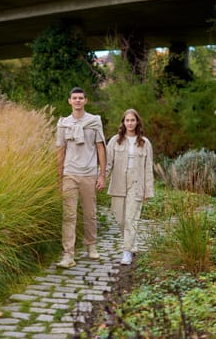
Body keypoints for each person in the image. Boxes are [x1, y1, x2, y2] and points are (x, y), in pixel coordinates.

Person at [55, 87, 107, 268]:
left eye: (80, 98)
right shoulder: (63, 124)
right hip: (69, 173)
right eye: (74, 98)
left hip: (89, 174)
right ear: (69, 101)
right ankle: (68, 254)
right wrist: (58, 178)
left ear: (85, 100)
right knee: (69, 215)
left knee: (90, 213)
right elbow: (60, 151)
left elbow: (101, 147)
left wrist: (102, 175)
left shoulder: (94, 122)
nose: (77, 101)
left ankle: (91, 246)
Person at [106, 109, 154, 265]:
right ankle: (133, 244)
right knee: (120, 219)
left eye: (133, 120)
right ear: (123, 122)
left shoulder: (145, 143)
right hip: (119, 182)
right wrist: (101, 179)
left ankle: (126, 251)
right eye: (127, 120)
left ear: (137, 122)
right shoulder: (115, 141)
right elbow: (108, 163)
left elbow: (148, 168)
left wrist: (148, 189)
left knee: (130, 219)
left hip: (136, 182)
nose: (130, 123)